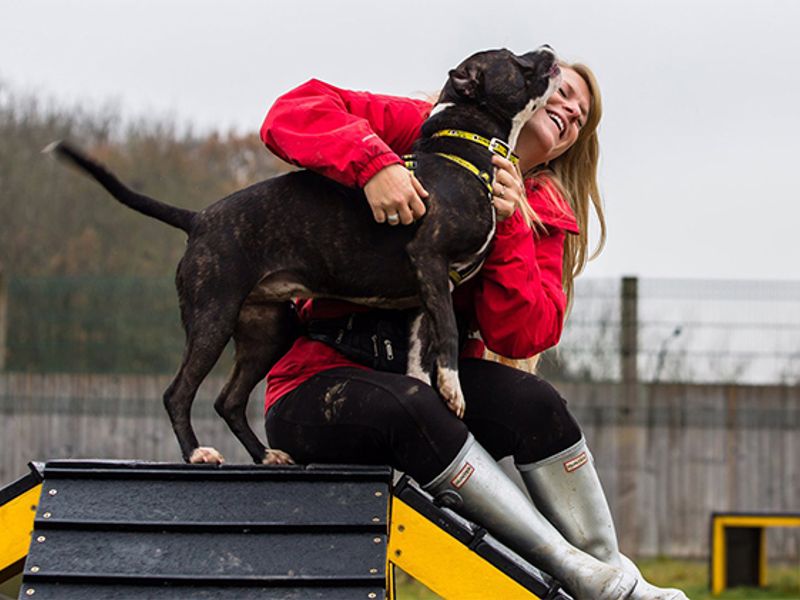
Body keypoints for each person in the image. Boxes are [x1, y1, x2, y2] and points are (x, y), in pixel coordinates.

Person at [259, 54, 686, 600]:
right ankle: (571, 568)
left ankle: (612, 575)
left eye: (581, 118)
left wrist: (508, 225)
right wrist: (375, 166)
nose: (571, 110)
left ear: (569, 147)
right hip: (320, 390)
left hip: (433, 395)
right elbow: (295, 109)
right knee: (410, 405)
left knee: (536, 402)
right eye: (562, 92)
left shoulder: (542, 215)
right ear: (524, 94)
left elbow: (523, 335)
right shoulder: (426, 127)